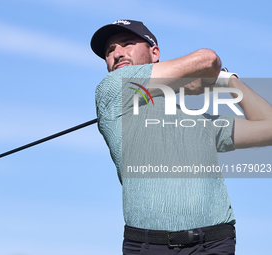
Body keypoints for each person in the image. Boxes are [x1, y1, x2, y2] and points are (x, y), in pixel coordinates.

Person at [90, 19, 272, 255]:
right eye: (110, 51)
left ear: (154, 53)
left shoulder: (194, 117)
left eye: (127, 44)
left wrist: (227, 81)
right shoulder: (111, 88)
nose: (117, 54)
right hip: (147, 245)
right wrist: (196, 80)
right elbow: (207, 58)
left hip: (213, 241)